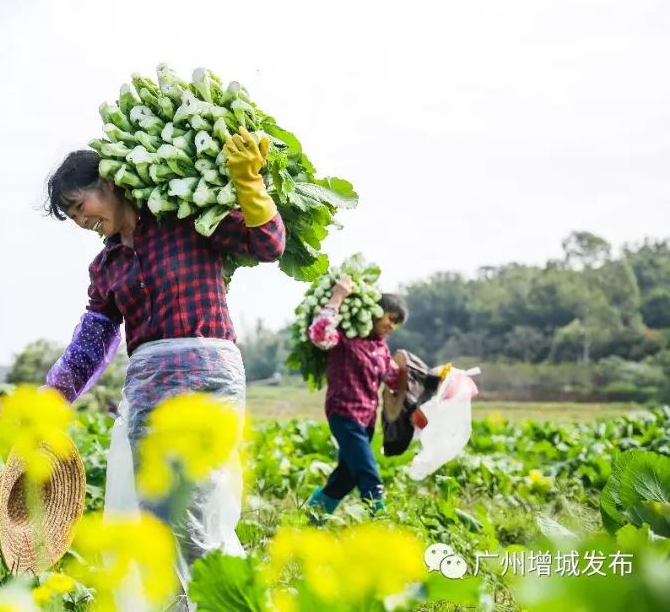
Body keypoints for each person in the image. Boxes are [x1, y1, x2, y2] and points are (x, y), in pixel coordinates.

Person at [43, 128, 285, 610]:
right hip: (148, 389)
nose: (79, 219)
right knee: (155, 519)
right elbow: (91, 344)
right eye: (69, 215)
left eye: (78, 204)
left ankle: (225, 602)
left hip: (207, 377)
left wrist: (249, 183)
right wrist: (49, 399)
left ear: (108, 182)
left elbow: (268, 242)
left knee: (193, 510)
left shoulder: (184, 219)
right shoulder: (105, 267)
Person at [304, 274, 408, 517]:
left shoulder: (380, 347)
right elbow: (319, 335)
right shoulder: (346, 336)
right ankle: (380, 521)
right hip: (344, 414)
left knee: (346, 477)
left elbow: (394, 378)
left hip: (367, 421)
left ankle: (310, 518)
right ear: (373, 311)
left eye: (396, 323)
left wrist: (434, 377)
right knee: (367, 472)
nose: (391, 326)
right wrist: (338, 297)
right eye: (389, 317)